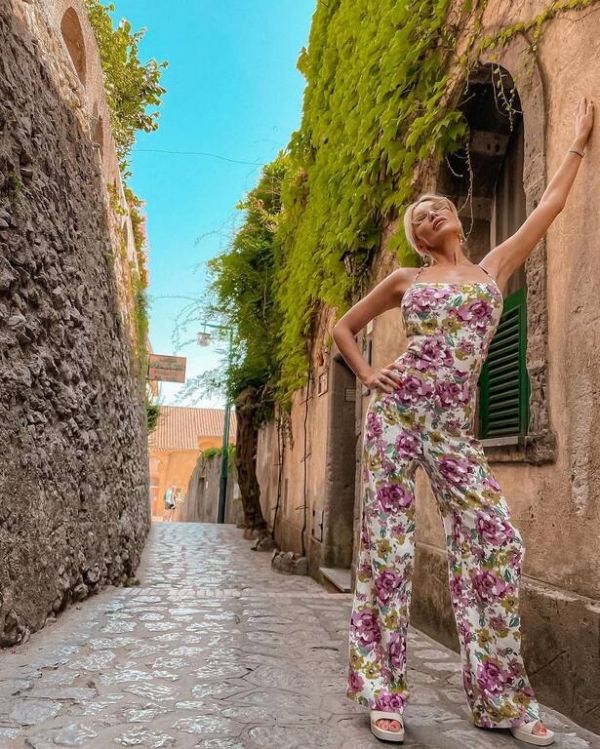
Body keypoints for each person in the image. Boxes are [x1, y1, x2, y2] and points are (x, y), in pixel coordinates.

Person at [332, 98, 594, 745]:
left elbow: (548, 207)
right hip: (396, 415)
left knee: (497, 540)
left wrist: (578, 143)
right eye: (420, 214)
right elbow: (343, 328)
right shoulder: (405, 279)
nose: (431, 211)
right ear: (419, 237)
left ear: (452, 218)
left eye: (437, 205)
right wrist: (368, 376)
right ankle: (384, 693)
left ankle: (499, 697)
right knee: (388, 548)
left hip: (451, 427)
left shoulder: (491, 268)